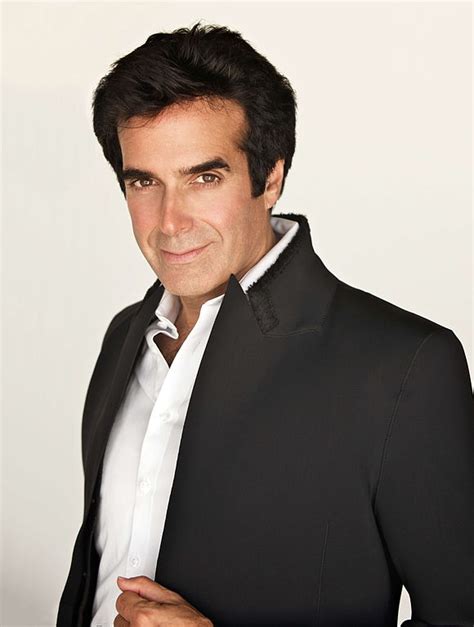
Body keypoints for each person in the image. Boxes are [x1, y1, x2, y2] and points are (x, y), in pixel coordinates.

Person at [56, 22, 474, 627]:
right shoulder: (125, 337)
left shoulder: (406, 368)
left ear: (271, 177)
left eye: (204, 177)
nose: (170, 221)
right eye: (144, 181)